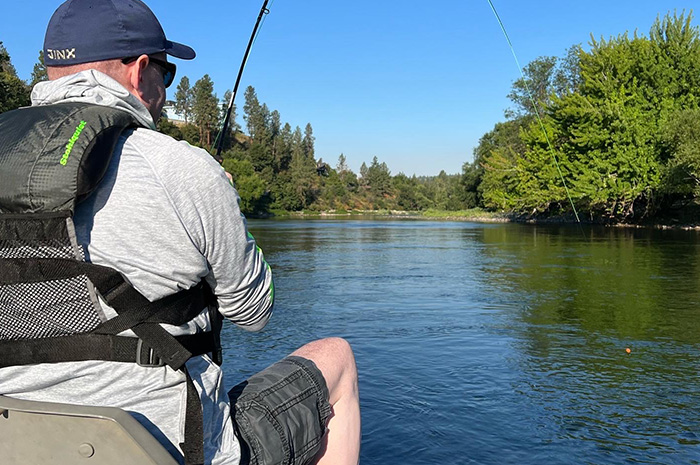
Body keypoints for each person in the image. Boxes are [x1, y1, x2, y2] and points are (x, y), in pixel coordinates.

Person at [0, 1, 360, 464]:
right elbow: (254, 311)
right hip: (167, 447)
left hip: (19, 443)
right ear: (140, 71)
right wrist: (225, 205)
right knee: (338, 358)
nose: (164, 93)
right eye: (165, 75)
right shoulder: (182, 167)